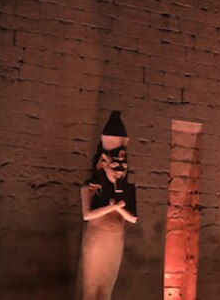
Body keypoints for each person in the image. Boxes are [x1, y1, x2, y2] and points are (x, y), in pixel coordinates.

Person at [80, 111, 138, 300]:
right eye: (116, 165)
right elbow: (87, 215)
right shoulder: (90, 187)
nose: (121, 170)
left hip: (116, 239)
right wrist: (113, 207)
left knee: (107, 287)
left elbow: (133, 218)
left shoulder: (127, 189)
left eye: (124, 165)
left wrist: (118, 207)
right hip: (96, 237)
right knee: (90, 287)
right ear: (103, 162)